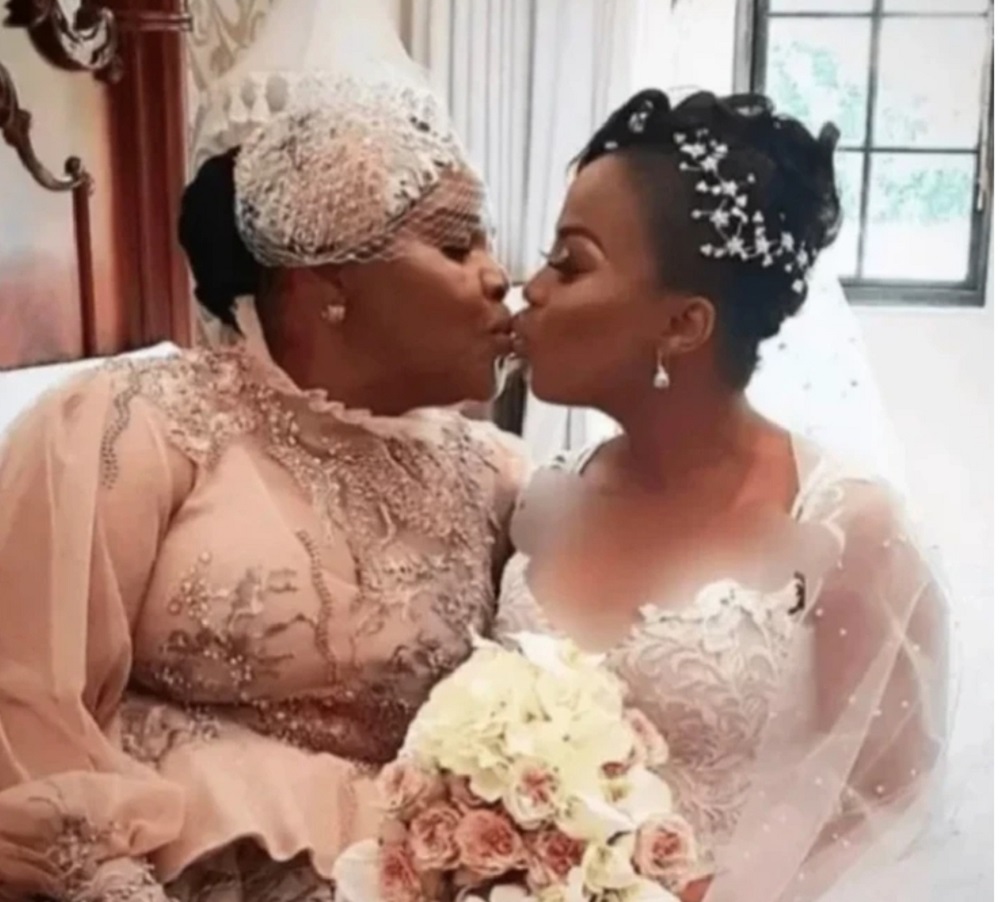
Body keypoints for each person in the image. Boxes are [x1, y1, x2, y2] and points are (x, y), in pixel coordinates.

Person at [0, 22, 527, 902]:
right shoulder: (133, 424)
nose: (498, 277)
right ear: (328, 286)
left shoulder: (503, 479)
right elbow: (27, 703)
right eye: (456, 245)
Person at [498, 90, 949, 902]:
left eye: (571, 262)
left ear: (685, 325)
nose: (531, 289)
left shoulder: (846, 525)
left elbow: (888, 818)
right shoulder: (540, 495)